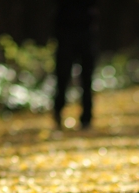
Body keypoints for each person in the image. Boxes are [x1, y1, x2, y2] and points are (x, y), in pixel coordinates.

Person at [53, 0, 99, 130]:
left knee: (86, 78)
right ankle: (58, 111)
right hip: (65, 31)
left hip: (86, 31)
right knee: (62, 76)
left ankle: (86, 118)